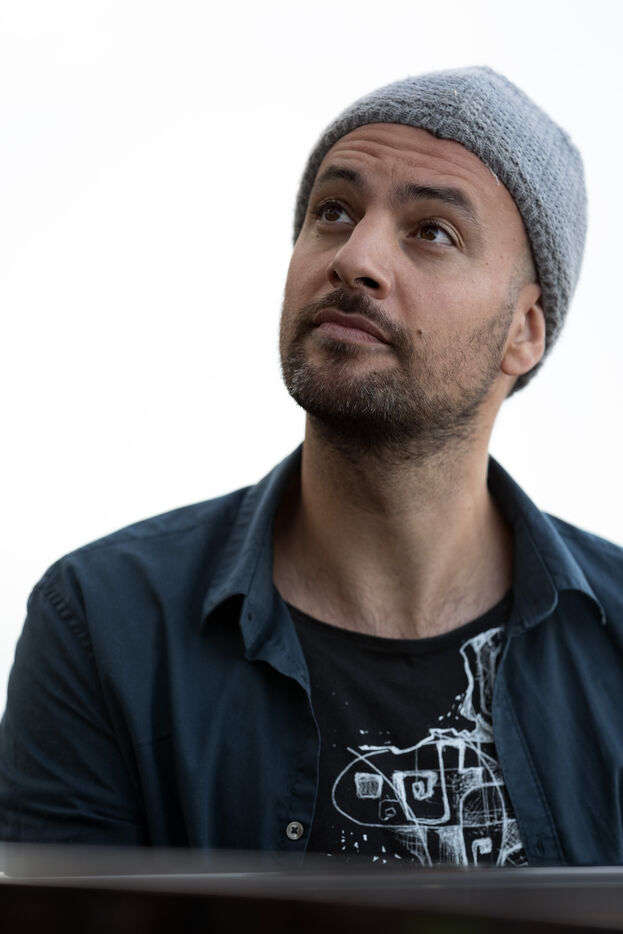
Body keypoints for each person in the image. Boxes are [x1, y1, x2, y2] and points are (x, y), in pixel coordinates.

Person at [1, 66, 622, 868]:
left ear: (524, 331)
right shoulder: (105, 626)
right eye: (333, 212)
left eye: (433, 231)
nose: (355, 257)